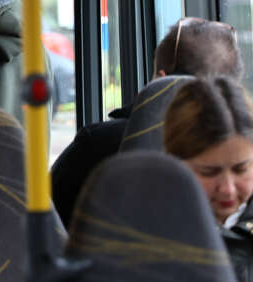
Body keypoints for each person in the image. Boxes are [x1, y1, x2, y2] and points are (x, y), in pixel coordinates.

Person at [51, 17, 243, 227]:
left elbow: (49, 227)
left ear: (161, 81)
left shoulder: (97, 146)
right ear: (234, 86)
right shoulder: (243, 155)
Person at [164, 78, 253, 281]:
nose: (228, 189)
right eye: (209, 172)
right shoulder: (145, 232)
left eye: (241, 170)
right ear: (175, 164)